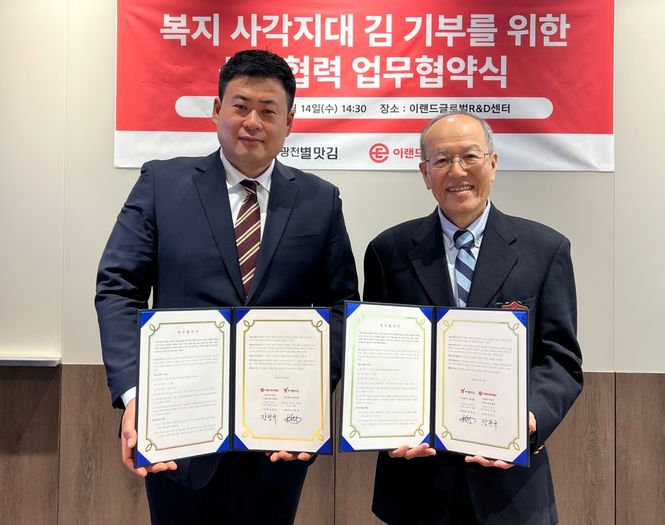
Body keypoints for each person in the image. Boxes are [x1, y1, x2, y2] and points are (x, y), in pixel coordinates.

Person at [95, 49, 359, 524]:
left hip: (278, 437)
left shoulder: (320, 200)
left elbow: (341, 306)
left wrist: (315, 393)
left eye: (268, 110)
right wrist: (136, 396)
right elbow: (118, 288)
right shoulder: (162, 183)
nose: (252, 122)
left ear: (289, 122)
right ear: (217, 110)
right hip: (177, 427)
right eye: (240, 106)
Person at [363, 111, 583, 525]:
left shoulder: (544, 249)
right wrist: (386, 427)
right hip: (416, 482)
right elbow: (376, 359)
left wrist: (529, 419)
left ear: (493, 164)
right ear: (424, 173)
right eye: (441, 160)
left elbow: (560, 359)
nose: (457, 171)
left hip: (510, 485)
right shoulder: (388, 251)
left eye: (469, 156)